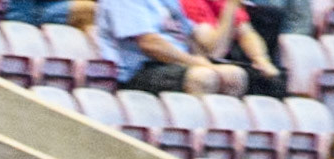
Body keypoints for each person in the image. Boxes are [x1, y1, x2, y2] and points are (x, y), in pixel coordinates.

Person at [96, 0, 245, 98]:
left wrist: (230, 7)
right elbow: (150, 44)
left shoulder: (168, 2)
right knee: (204, 77)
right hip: (137, 71)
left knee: (235, 75)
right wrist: (197, 62)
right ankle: (190, 143)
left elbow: (212, 49)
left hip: (174, 66)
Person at [184, 0, 284, 97]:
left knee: (272, 81)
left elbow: (246, 33)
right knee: (216, 78)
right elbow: (214, 52)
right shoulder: (190, 2)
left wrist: (261, 60)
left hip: (222, 57)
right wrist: (231, 6)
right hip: (195, 59)